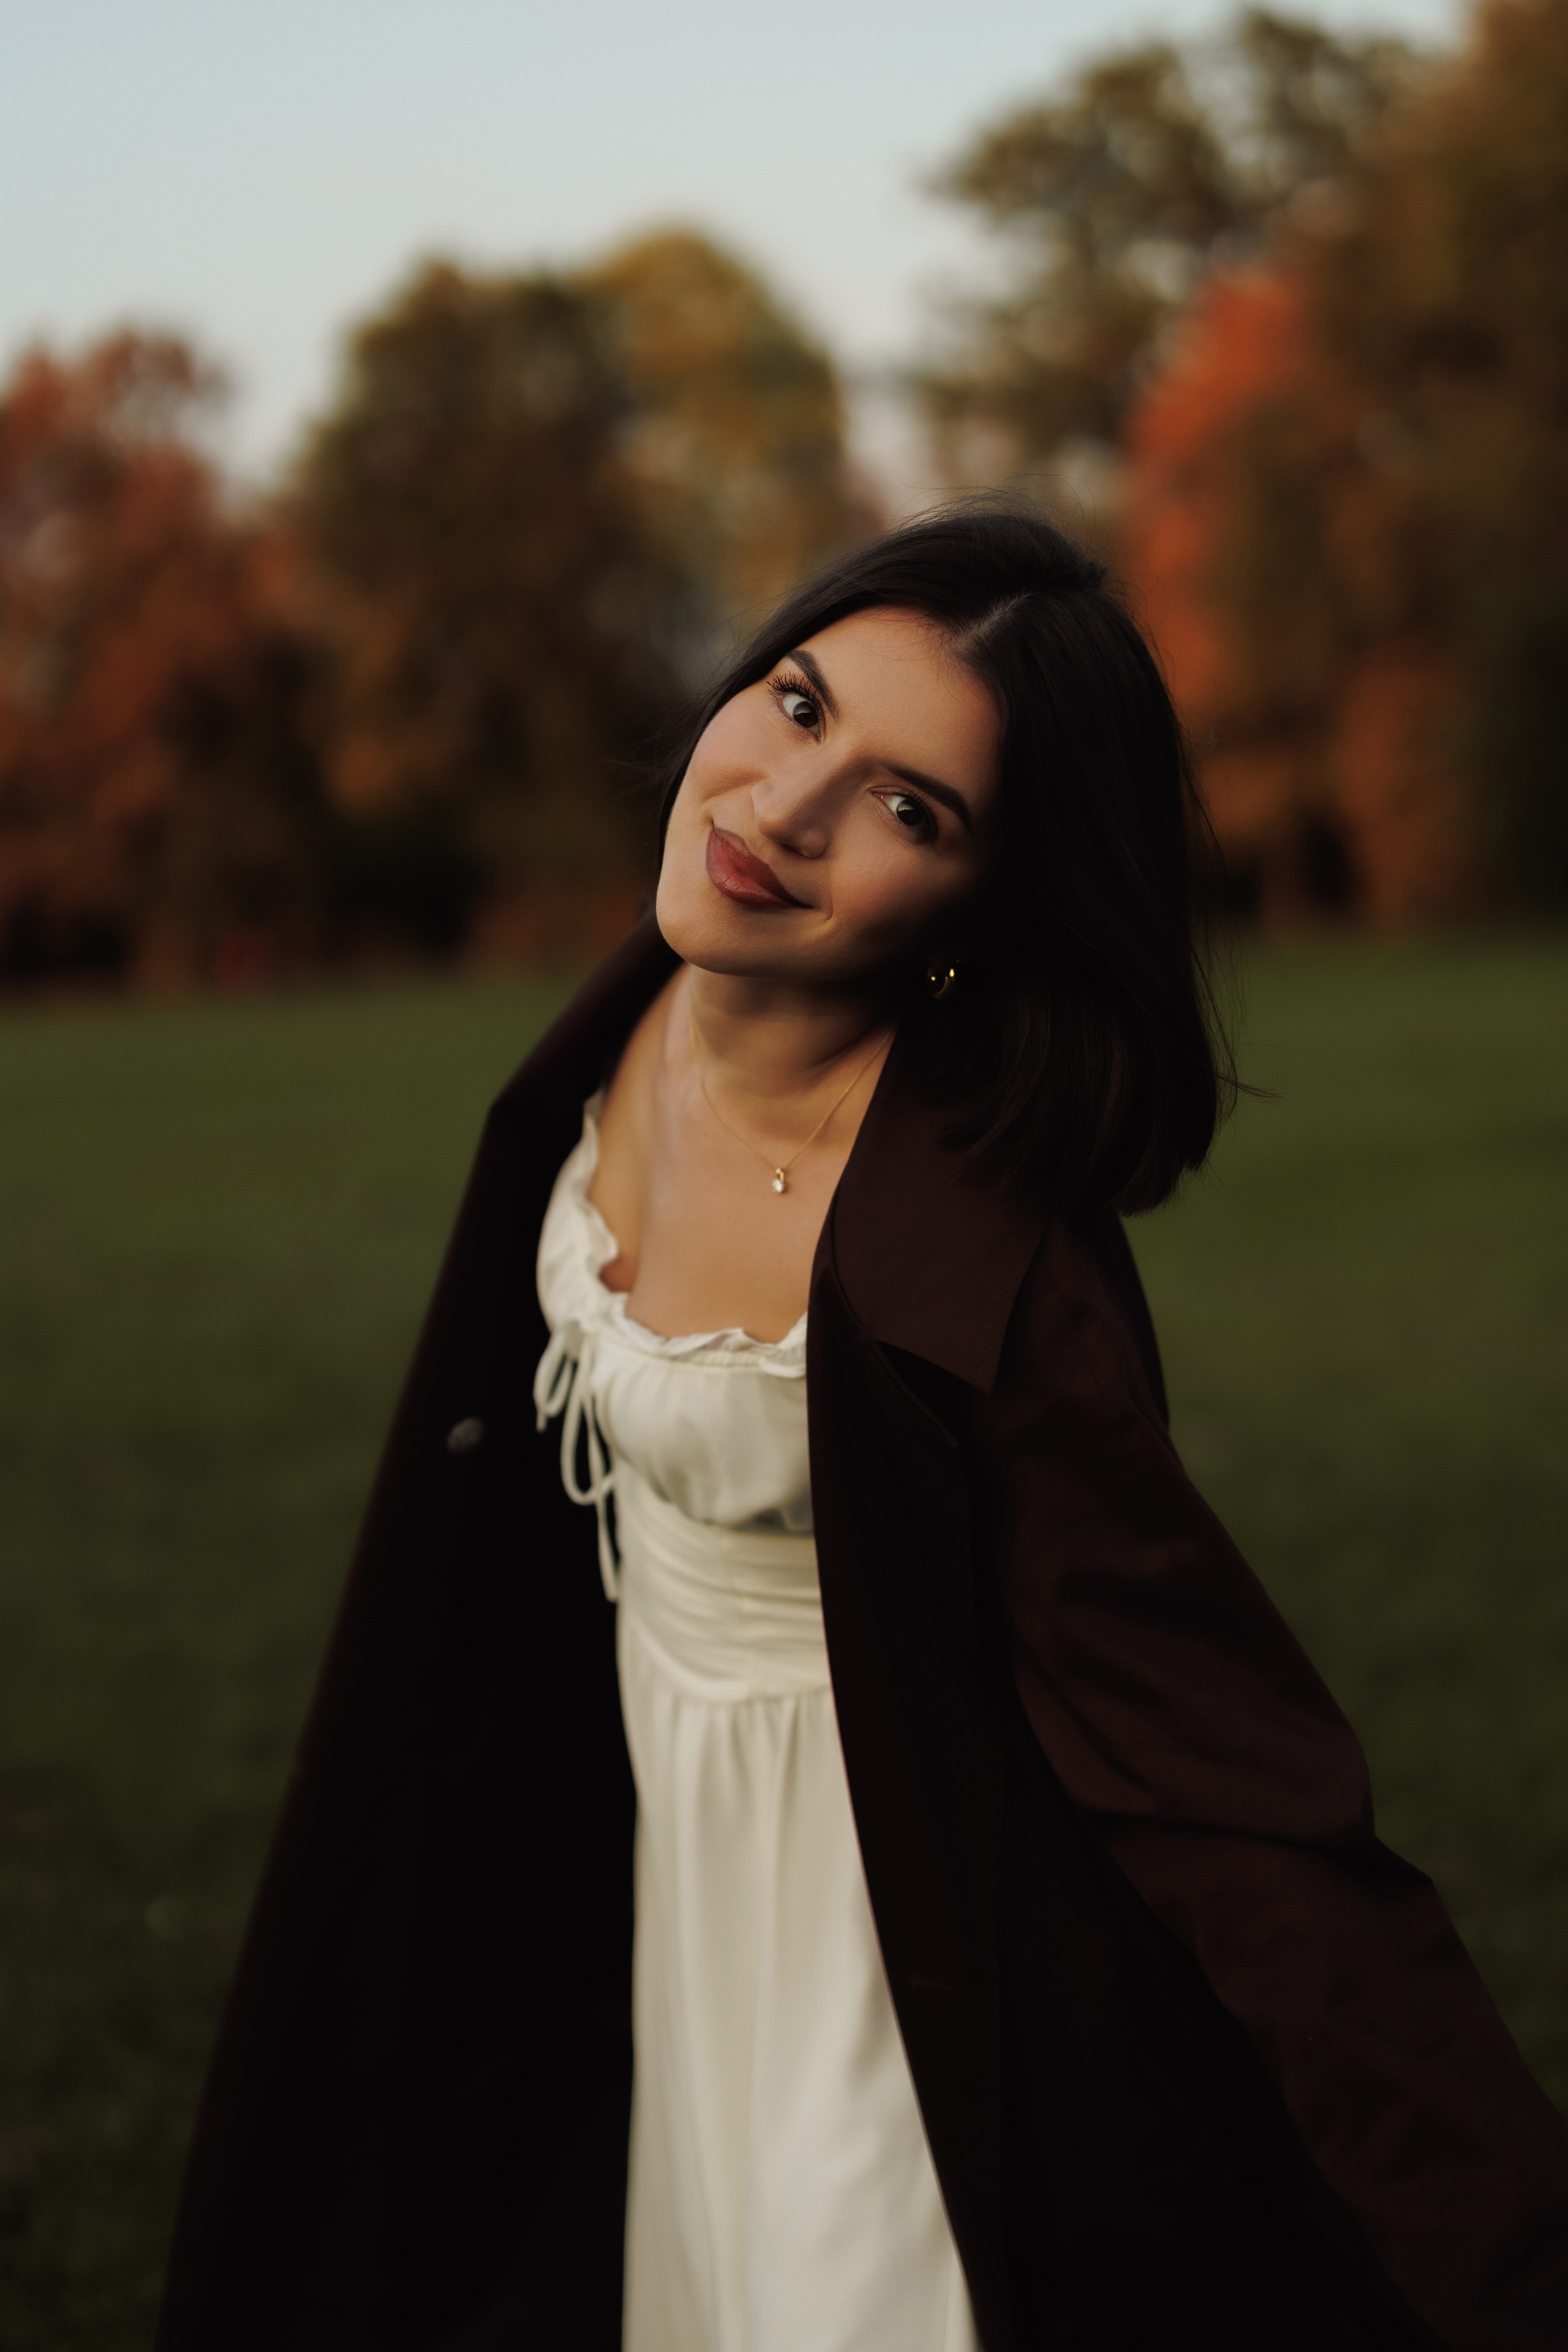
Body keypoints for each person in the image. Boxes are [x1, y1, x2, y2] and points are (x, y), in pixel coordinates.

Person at [157, 508, 1568, 2352]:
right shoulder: (641, 1007)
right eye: (802, 702)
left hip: (892, 1948)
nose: (783, 808)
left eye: (912, 808)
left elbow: (1236, 1795)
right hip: (670, 1883)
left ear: (990, 903)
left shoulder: (975, 1269)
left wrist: (1510, 2255)